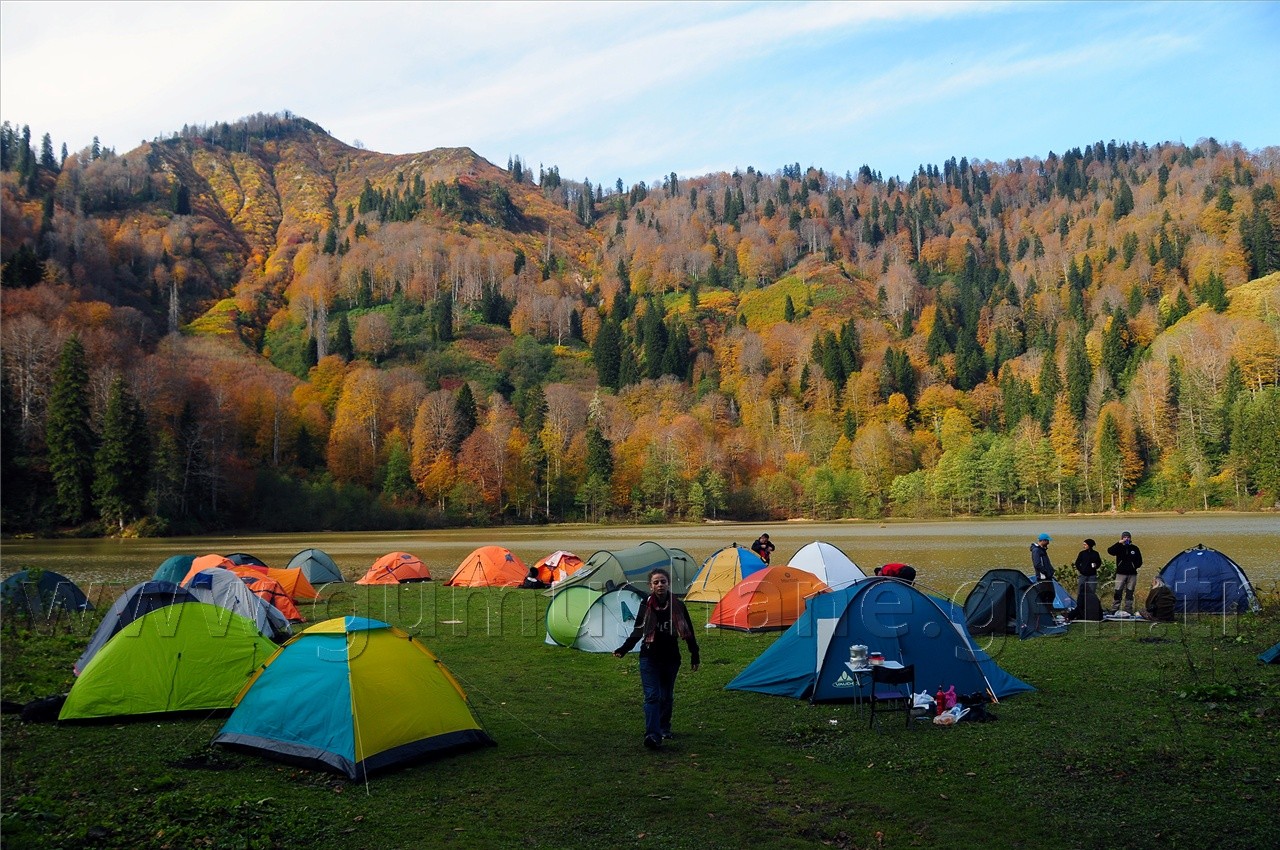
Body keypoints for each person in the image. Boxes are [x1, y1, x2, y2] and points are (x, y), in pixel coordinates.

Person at [614, 568, 699, 749]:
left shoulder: (678, 605)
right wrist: (624, 649)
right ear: (650, 586)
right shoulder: (646, 604)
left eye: (663, 582)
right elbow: (638, 631)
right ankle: (652, 735)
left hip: (671, 658)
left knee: (666, 696)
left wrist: (694, 654)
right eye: (656, 582)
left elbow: (688, 631)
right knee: (652, 697)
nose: (660, 585)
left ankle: (664, 727)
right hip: (649, 656)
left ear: (668, 584)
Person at [1107, 531, 1143, 615]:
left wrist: (1134, 566)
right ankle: (1114, 608)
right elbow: (1110, 551)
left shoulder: (1135, 548)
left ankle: (1128, 609)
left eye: (1128, 537)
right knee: (1118, 591)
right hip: (1121, 574)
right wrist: (1118, 543)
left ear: (1130, 538)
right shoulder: (1119, 547)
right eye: (1124, 537)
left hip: (1132, 574)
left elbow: (1140, 561)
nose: (1126, 538)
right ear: (1122, 538)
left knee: (1130, 592)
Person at [1030, 533, 1055, 605]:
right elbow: (1037, 564)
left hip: (1047, 577)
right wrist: (1046, 572)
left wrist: (1051, 571)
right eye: (1047, 541)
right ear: (1043, 541)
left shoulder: (1042, 550)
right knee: (1044, 596)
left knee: (1051, 595)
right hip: (1043, 578)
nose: (1048, 543)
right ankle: (1043, 612)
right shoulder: (1036, 551)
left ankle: (1049, 611)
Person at [1074, 538, 1101, 603]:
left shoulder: (1095, 553)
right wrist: (1081, 570)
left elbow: (1099, 562)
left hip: (1092, 575)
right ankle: (1079, 604)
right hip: (1083, 575)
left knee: (1092, 591)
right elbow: (1077, 563)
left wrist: (1096, 566)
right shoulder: (1082, 553)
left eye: (1085, 545)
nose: (1084, 546)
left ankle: (1090, 605)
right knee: (1080, 591)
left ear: (1089, 545)